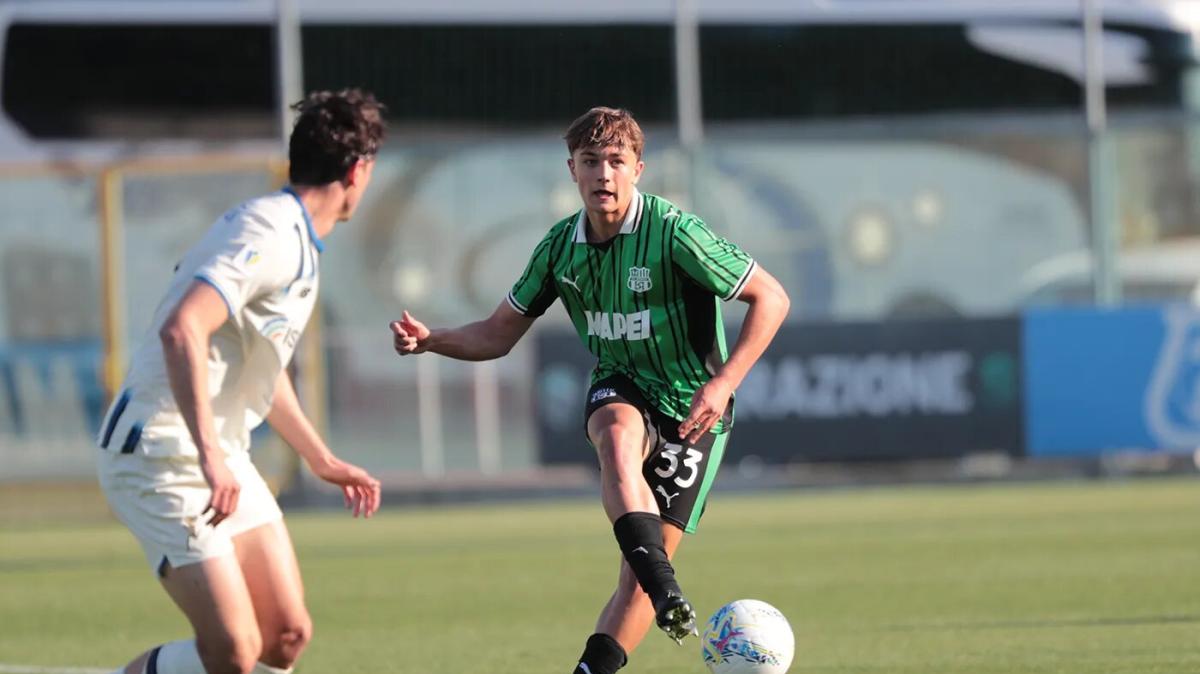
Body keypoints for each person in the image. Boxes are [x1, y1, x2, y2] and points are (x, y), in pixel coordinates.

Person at [389, 106, 790, 673]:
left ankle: (623, 631)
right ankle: (667, 589)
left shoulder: (675, 233)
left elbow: (772, 297)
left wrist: (724, 383)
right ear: (572, 171)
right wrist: (431, 340)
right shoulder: (559, 248)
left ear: (638, 169)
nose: (604, 173)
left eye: (616, 162)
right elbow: (496, 334)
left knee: (634, 587)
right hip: (620, 383)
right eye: (591, 161)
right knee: (616, 439)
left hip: (693, 412)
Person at [96, 88, 386, 674]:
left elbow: (262, 372)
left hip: (215, 452)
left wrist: (320, 458)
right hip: (159, 452)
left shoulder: (298, 239)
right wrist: (210, 456)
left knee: (285, 634)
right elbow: (183, 331)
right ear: (358, 170)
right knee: (233, 649)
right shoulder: (270, 232)